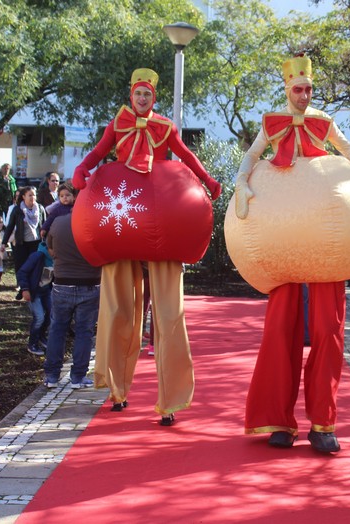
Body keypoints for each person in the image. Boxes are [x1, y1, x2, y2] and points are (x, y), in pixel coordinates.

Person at [234, 55, 350, 453]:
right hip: (282, 234)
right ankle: (278, 421)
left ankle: (323, 424)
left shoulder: (323, 121)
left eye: (308, 89)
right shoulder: (272, 122)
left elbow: (349, 150)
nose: (304, 96)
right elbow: (252, 155)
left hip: (324, 235)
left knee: (328, 332)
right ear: (287, 89)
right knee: (279, 332)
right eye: (298, 89)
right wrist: (241, 182)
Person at [72, 67, 221, 422]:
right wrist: (82, 169)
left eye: (148, 95)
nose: (142, 99)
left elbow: (186, 155)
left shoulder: (165, 127)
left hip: (162, 218)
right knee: (118, 308)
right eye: (138, 93)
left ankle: (170, 400)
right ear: (131, 96)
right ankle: (116, 388)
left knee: (169, 314)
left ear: (154, 98)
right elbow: (98, 152)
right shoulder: (117, 124)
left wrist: (207, 179)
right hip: (121, 218)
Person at [43, 212, 101, 388]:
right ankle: (78, 376)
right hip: (89, 282)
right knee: (84, 332)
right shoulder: (96, 223)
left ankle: (52, 376)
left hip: (62, 282)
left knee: (57, 329)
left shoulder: (58, 222)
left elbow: (50, 248)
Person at [1, 186, 45, 299]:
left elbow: (45, 225)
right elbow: (10, 226)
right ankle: (23, 288)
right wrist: (4, 242)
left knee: (35, 267)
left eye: (34, 195)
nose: (32, 197)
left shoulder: (40, 208)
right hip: (21, 243)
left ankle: (33, 289)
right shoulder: (18, 210)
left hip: (36, 243)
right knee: (21, 266)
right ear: (24, 196)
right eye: (30, 195)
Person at [16, 241, 53, 356]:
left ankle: (41, 336)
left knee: (51, 313)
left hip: (46, 290)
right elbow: (22, 272)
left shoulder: (57, 259)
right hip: (33, 291)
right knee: (39, 317)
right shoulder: (37, 256)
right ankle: (32, 343)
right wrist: (25, 289)